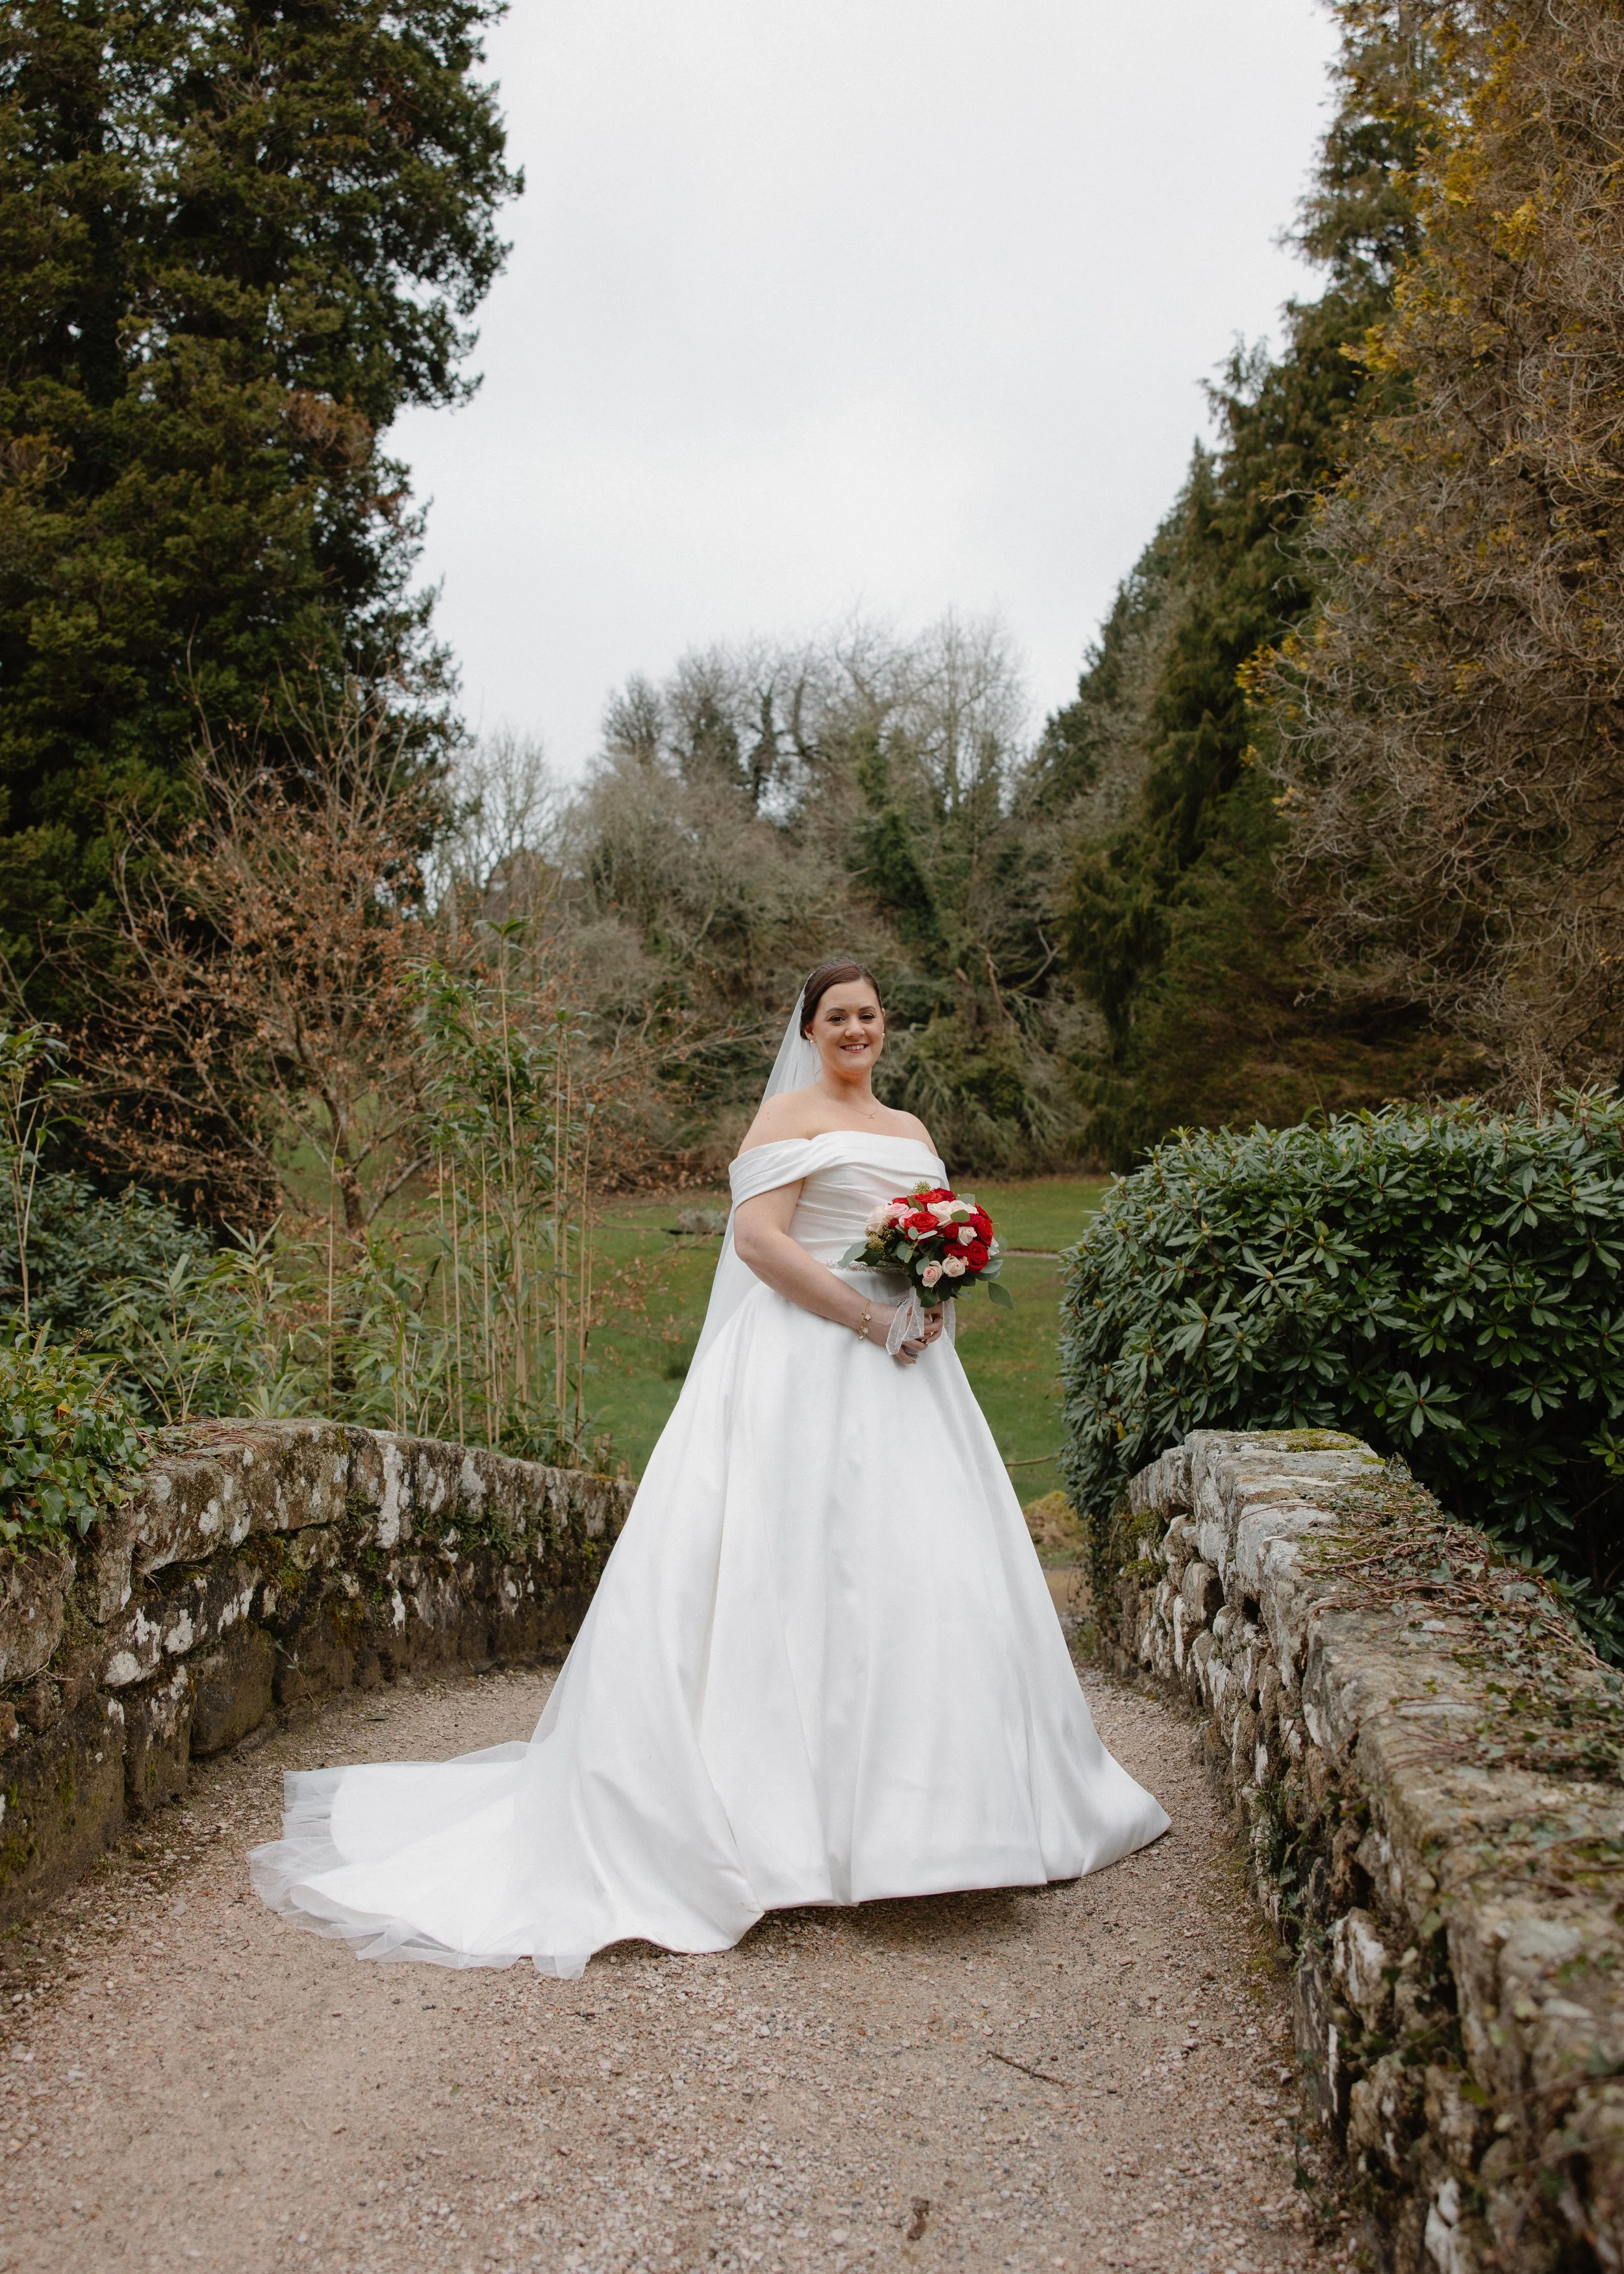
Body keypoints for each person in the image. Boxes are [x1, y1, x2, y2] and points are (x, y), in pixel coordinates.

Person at [249, 962, 1169, 1977]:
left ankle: (947, 1823)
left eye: (868, 1015)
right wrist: (865, 1317)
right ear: (809, 1030)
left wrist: (933, 1293)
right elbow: (760, 1243)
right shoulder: (786, 1116)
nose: (855, 1030)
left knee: (928, 1572)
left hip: (913, 1378)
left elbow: (928, 1233)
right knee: (796, 1578)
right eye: (836, 1017)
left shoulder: (910, 1129)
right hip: (808, 1364)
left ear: (884, 1025)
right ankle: (786, 1832)